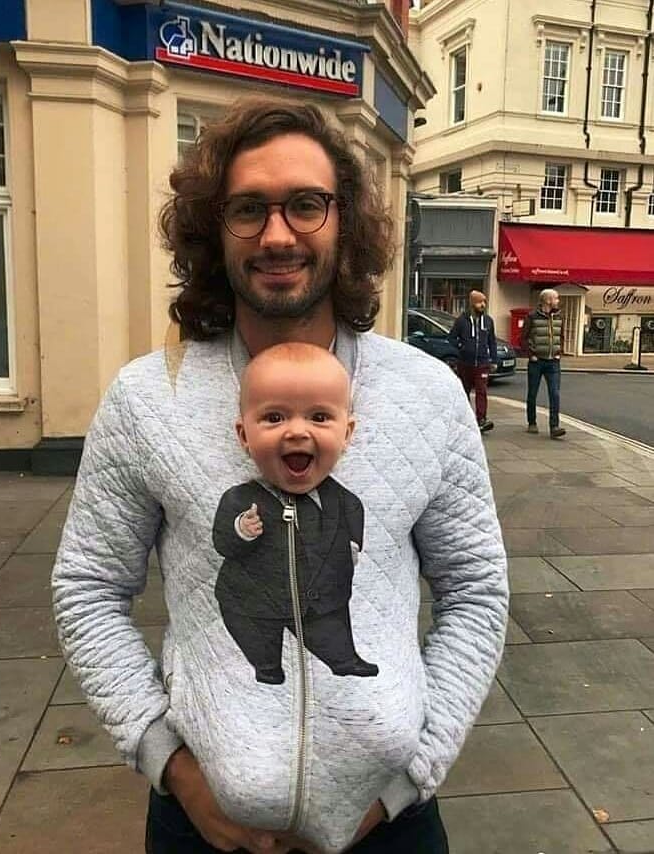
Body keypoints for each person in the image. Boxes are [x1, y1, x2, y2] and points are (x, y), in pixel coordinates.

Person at [52, 97, 508, 854]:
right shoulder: (146, 397)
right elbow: (87, 589)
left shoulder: (426, 394)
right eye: (247, 208)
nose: (276, 234)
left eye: (304, 204)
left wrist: (407, 780)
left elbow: (476, 589)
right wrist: (173, 768)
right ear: (212, 226)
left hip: (390, 826)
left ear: (345, 219)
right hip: (202, 827)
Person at [213, 343, 378, 686]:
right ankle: (267, 668)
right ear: (244, 435)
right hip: (254, 598)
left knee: (333, 631)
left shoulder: (341, 498)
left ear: (346, 433)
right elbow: (223, 540)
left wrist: (353, 544)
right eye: (274, 417)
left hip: (322, 594)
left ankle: (345, 660)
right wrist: (241, 529)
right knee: (260, 640)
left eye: (319, 417)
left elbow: (353, 515)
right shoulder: (241, 498)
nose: (298, 431)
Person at [447, 290, 497, 433]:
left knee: (482, 391)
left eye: (484, 302)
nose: (483, 305)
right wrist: (461, 347)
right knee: (464, 391)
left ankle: (481, 419)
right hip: (465, 362)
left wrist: (494, 360)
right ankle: (466, 419)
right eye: (480, 302)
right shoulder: (461, 320)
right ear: (472, 303)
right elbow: (451, 338)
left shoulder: (488, 321)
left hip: (482, 363)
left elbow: (492, 342)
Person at [520, 288, 566, 439]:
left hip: (553, 362)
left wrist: (560, 351)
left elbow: (561, 336)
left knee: (555, 394)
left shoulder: (559, 316)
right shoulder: (532, 317)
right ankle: (532, 422)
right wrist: (530, 354)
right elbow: (523, 338)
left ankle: (554, 426)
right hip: (537, 361)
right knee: (532, 393)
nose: (558, 301)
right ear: (547, 300)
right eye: (556, 299)